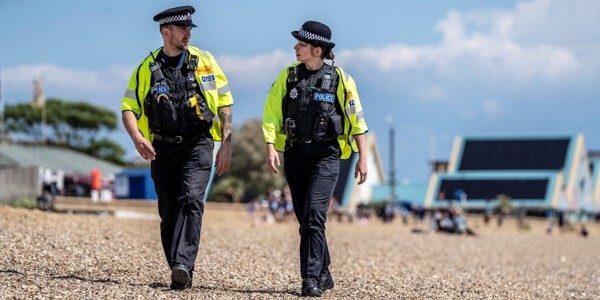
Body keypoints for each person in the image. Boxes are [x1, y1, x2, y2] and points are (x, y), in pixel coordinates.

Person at [121, 5, 233, 290]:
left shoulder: (205, 61)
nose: (187, 34)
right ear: (165, 32)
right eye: (182, 29)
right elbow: (128, 108)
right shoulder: (146, 68)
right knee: (169, 212)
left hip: (199, 142)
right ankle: (179, 267)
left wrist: (226, 144)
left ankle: (183, 263)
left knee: (192, 200)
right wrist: (137, 137)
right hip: (162, 147)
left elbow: (224, 103)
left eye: (189, 29)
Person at [262, 20, 368, 297]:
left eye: (302, 44)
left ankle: (310, 280)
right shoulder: (288, 77)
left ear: (317, 50)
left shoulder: (341, 80)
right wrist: (271, 146)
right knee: (305, 218)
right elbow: (272, 113)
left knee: (314, 217)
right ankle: (324, 271)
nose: (296, 47)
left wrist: (363, 158)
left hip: (327, 155)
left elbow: (357, 120)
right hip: (296, 155)